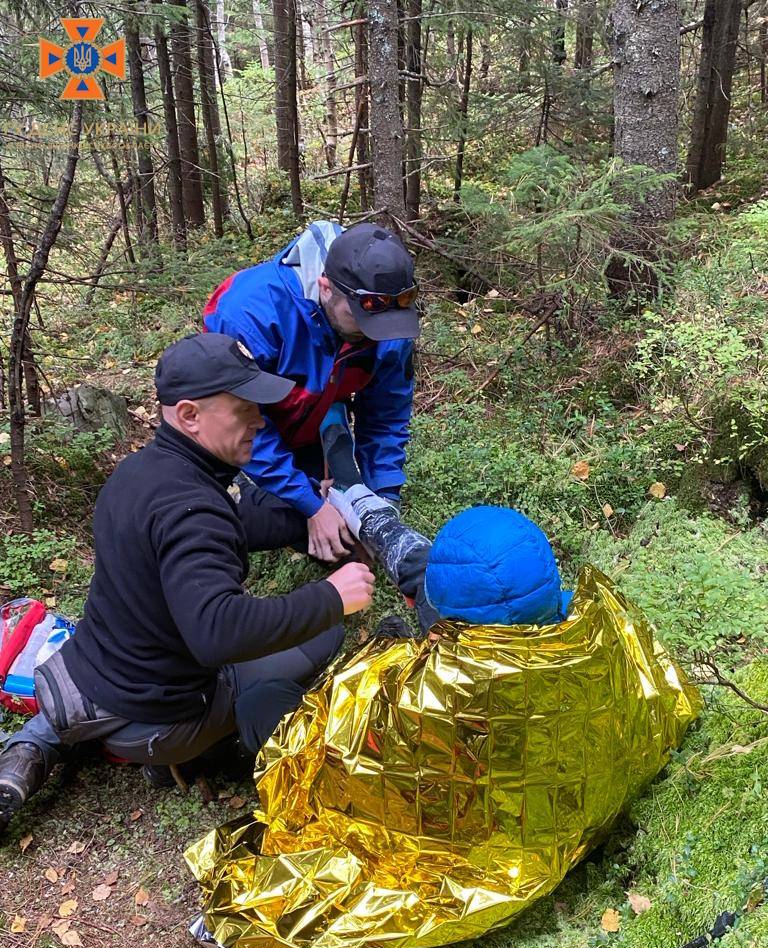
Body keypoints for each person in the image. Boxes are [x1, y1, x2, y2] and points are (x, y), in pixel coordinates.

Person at [0, 334, 375, 836]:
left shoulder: (142, 473)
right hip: (164, 714)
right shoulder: (191, 507)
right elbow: (217, 633)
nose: (260, 422)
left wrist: (306, 521)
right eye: (244, 409)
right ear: (190, 415)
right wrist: (333, 595)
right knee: (321, 636)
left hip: (102, 674)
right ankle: (206, 751)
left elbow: (223, 524)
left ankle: (56, 745)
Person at [203, 220, 420, 564]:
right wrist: (310, 504)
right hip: (236, 434)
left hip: (312, 422)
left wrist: (384, 501)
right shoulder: (249, 313)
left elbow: (386, 416)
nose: (377, 335)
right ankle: (244, 495)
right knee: (222, 527)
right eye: (363, 323)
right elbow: (238, 422)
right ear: (326, 287)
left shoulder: (389, 321)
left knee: (342, 547)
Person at [320, 404, 572, 634]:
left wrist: (390, 640)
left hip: (457, 643)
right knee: (448, 571)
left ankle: (354, 495)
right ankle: (356, 495)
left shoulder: (443, 673)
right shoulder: (590, 627)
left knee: (420, 567)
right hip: (503, 625)